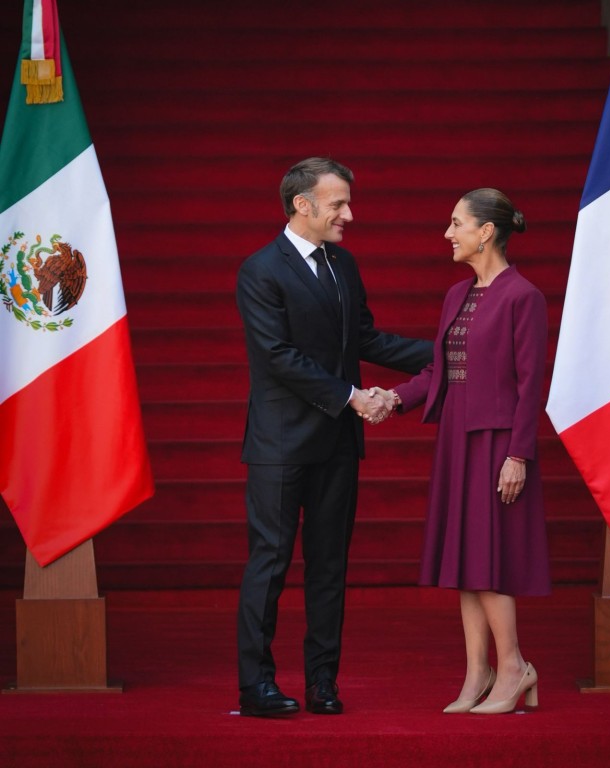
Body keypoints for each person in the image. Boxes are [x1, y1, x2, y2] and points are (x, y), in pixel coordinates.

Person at [235, 157, 432, 718]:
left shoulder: (343, 264)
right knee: (269, 564)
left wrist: (449, 348)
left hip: (337, 445)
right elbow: (278, 358)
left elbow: (364, 338)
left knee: (329, 567)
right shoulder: (261, 270)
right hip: (279, 445)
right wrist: (353, 397)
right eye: (339, 203)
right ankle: (256, 687)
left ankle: (323, 681)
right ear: (303, 205)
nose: (350, 213)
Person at [386, 188, 550, 715]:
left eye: (456, 223)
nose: (447, 233)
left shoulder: (523, 296)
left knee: (490, 561)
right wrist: (393, 398)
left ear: (486, 231)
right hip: (457, 440)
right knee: (464, 561)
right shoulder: (456, 295)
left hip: (499, 443)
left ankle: (514, 669)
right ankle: (477, 670)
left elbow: (531, 385)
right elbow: (440, 372)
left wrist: (519, 455)